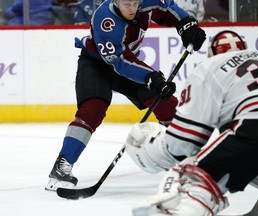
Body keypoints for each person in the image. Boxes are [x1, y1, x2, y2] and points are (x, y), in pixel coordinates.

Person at [45, 0, 206, 191]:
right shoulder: (106, 20)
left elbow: (167, 8)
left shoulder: (144, 3)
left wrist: (186, 25)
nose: (132, 9)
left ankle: (184, 160)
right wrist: (150, 77)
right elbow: (120, 62)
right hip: (96, 66)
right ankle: (62, 165)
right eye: (127, 4)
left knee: (166, 104)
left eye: (135, 3)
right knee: (92, 111)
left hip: (127, 63)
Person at [125, 30, 258, 215]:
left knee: (189, 177)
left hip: (256, 129)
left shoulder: (210, 66)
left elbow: (182, 145)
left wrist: (148, 148)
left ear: (211, 54)